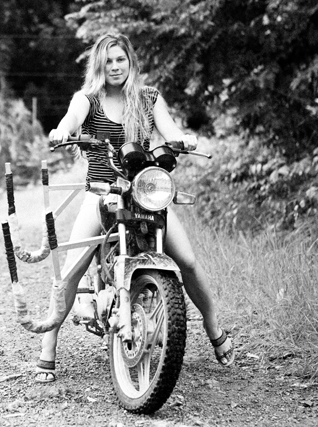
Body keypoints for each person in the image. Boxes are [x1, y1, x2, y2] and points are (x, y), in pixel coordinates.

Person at [34, 33, 235, 383]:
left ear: (130, 62)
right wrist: (61, 131)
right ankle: (48, 345)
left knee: (187, 261)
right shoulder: (88, 99)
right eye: (108, 61)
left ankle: (213, 326)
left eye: (120, 60)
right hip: (101, 192)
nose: (115, 67)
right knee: (71, 270)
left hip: (142, 191)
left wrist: (183, 139)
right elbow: (71, 119)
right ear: (99, 65)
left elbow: (170, 130)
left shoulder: (148, 98)